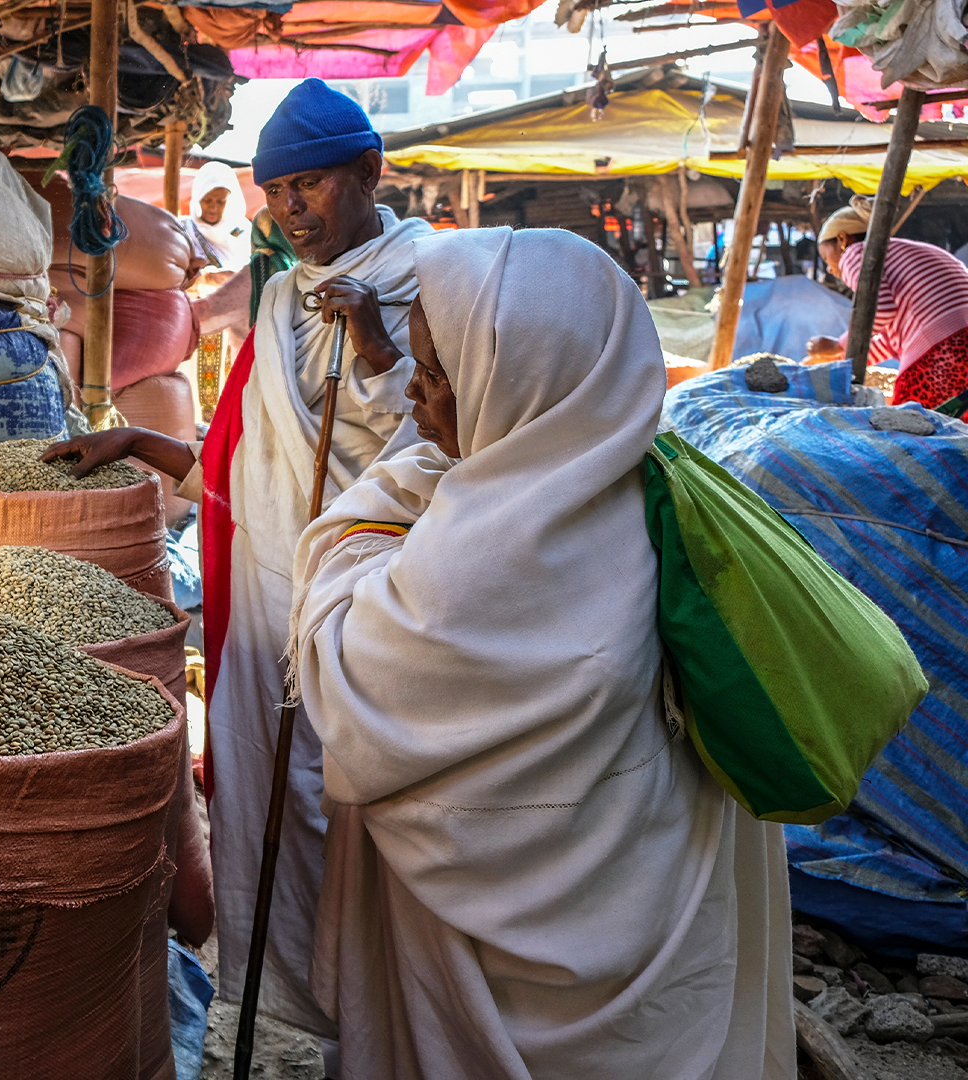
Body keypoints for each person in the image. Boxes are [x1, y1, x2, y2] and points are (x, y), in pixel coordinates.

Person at [290, 226, 792, 1078]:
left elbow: (353, 682)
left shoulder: (477, 553)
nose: (415, 396)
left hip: (492, 965)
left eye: (439, 375)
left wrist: (358, 530)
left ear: (520, 384)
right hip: (650, 916)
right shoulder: (649, 483)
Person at [47, 79, 432, 1046]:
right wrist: (138, 443)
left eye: (308, 188)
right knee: (281, 790)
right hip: (273, 599)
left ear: (368, 173)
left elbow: (442, 442)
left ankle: (392, 999)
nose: (288, 213)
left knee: (370, 793)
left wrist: (376, 337)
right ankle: (301, 985)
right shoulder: (276, 298)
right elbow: (244, 465)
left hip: (386, 592)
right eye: (275, 195)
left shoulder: (433, 274)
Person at [807, 202, 968, 411]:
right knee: (956, 428)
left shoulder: (856, 252)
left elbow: (879, 310)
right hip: (955, 341)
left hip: (943, 346)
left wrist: (839, 345)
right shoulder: (904, 251)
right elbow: (887, 342)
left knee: (909, 425)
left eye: (827, 257)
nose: (829, 268)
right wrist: (839, 362)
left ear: (842, 239)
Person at [181, 160, 253, 272]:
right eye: (207, 200)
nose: (214, 207)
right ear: (198, 197)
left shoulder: (244, 230)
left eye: (221, 201)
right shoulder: (184, 229)